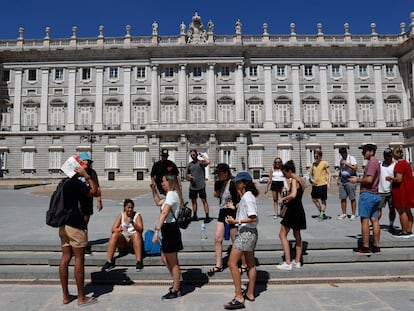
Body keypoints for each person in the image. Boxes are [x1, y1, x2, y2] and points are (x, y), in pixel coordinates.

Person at [59, 166, 99, 306]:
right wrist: (87, 177)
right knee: (79, 259)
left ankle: (66, 296)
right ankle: (81, 298)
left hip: (63, 224)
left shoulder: (64, 183)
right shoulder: (77, 183)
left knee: (65, 258)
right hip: (75, 224)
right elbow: (95, 191)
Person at [223, 171, 258, 310]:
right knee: (250, 264)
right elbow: (246, 207)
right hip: (251, 233)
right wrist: (235, 207)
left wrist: (235, 220)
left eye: (238, 182)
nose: (236, 185)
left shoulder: (248, 197)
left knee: (231, 263)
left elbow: (253, 217)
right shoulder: (247, 197)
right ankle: (250, 293)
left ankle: (239, 296)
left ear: (244, 183)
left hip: (246, 233)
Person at [151, 174, 184, 300]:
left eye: (164, 181)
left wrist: (156, 231)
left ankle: (176, 288)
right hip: (168, 229)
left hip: (170, 229)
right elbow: (159, 202)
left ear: (170, 182)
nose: (162, 183)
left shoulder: (171, 194)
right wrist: (153, 190)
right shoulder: (171, 195)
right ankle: (177, 282)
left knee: (173, 261)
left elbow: (164, 212)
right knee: (165, 258)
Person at [207, 163, 240, 276]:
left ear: (226, 173)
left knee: (234, 239)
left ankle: (241, 263)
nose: (217, 176)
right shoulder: (219, 183)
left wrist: (235, 206)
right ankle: (218, 264)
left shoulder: (234, 183)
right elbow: (216, 195)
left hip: (232, 212)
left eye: (219, 174)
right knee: (217, 238)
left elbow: (241, 198)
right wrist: (217, 187)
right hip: (222, 211)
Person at [349, 144, 381, 254]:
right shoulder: (376, 162)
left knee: (365, 220)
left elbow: (369, 180)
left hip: (367, 195)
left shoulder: (372, 163)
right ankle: (376, 246)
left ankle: (365, 246)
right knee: (375, 220)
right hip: (375, 194)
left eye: (365, 151)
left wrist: (356, 180)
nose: (363, 153)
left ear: (371, 152)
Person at [276, 160, 306, 271]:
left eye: (285, 174)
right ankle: (297, 261)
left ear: (289, 171)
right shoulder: (301, 180)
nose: (285, 176)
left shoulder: (293, 180)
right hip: (299, 209)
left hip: (292, 210)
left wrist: (283, 198)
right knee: (297, 235)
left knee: (282, 235)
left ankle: (288, 262)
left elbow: (293, 195)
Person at [101, 198, 144, 272]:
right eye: (128, 207)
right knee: (114, 235)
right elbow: (113, 229)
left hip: (133, 239)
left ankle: (139, 261)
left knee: (136, 234)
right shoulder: (121, 215)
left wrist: (133, 223)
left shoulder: (137, 215)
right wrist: (120, 229)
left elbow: (141, 230)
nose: (130, 210)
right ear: (125, 208)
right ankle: (109, 261)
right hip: (124, 238)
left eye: (131, 208)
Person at [386, 145, 414, 238]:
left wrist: (390, 178)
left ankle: (404, 231)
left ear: (395, 155)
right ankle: (409, 230)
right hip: (408, 189)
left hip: (401, 190)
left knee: (402, 211)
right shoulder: (406, 163)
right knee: (408, 210)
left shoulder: (399, 164)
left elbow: (398, 179)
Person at [78, 152, 102, 255]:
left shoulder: (92, 172)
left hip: (87, 201)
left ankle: (84, 245)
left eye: (88, 161)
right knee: (76, 225)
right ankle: (78, 244)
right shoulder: (74, 172)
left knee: (84, 224)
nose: (87, 162)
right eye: (84, 160)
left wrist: (99, 201)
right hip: (76, 202)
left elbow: (97, 187)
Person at [186, 149, 211, 222]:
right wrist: (189, 176)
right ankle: (194, 216)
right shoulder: (189, 164)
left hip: (201, 185)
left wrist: (203, 156)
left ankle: (207, 216)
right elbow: (186, 175)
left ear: (196, 155)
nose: (192, 156)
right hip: (192, 186)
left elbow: (208, 162)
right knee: (193, 201)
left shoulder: (201, 162)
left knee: (204, 201)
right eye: (191, 155)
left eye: (194, 155)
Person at [309, 148, 331, 220]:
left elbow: (329, 173)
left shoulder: (324, 163)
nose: (316, 157)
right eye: (315, 156)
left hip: (323, 184)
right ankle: (321, 212)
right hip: (315, 185)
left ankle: (321, 214)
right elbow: (310, 174)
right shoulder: (313, 165)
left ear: (320, 156)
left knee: (323, 200)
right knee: (314, 199)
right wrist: (311, 180)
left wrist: (328, 183)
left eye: (317, 156)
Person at [336, 147, 358, 220]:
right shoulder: (341, 160)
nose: (342, 155)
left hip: (350, 180)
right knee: (343, 198)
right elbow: (341, 170)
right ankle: (344, 213)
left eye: (343, 153)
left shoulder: (351, 158)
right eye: (341, 154)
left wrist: (347, 164)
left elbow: (355, 168)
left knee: (352, 198)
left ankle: (353, 214)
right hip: (343, 180)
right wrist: (338, 179)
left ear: (346, 152)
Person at [378, 148, 397, 233]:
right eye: (385, 156)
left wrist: (392, 179)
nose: (387, 158)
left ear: (392, 156)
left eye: (389, 156)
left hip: (391, 191)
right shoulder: (380, 164)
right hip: (380, 190)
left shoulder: (395, 165)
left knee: (392, 209)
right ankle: (376, 223)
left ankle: (391, 224)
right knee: (378, 209)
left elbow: (398, 178)